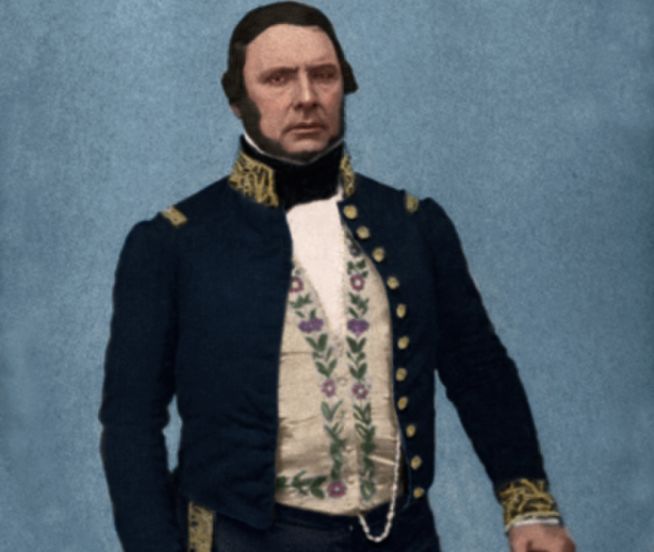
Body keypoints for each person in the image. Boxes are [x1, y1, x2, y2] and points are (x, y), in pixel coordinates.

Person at [98, 2, 576, 551]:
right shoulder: (171, 244)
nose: (306, 97)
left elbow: (478, 370)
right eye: (279, 78)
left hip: (401, 537)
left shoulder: (414, 225)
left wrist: (528, 506)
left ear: (344, 85)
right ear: (236, 99)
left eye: (323, 75)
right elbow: (131, 424)